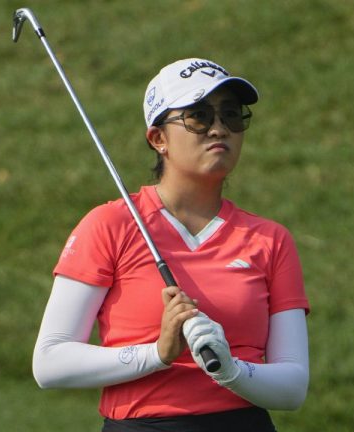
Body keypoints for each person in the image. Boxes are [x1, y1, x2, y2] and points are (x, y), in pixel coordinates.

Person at [32, 58, 310, 432]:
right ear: (157, 138)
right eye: (198, 116)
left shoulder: (270, 240)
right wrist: (158, 354)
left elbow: (292, 387)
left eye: (231, 115)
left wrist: (231, 370)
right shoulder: (110, 224)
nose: (218, 129)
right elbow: (50, 362)